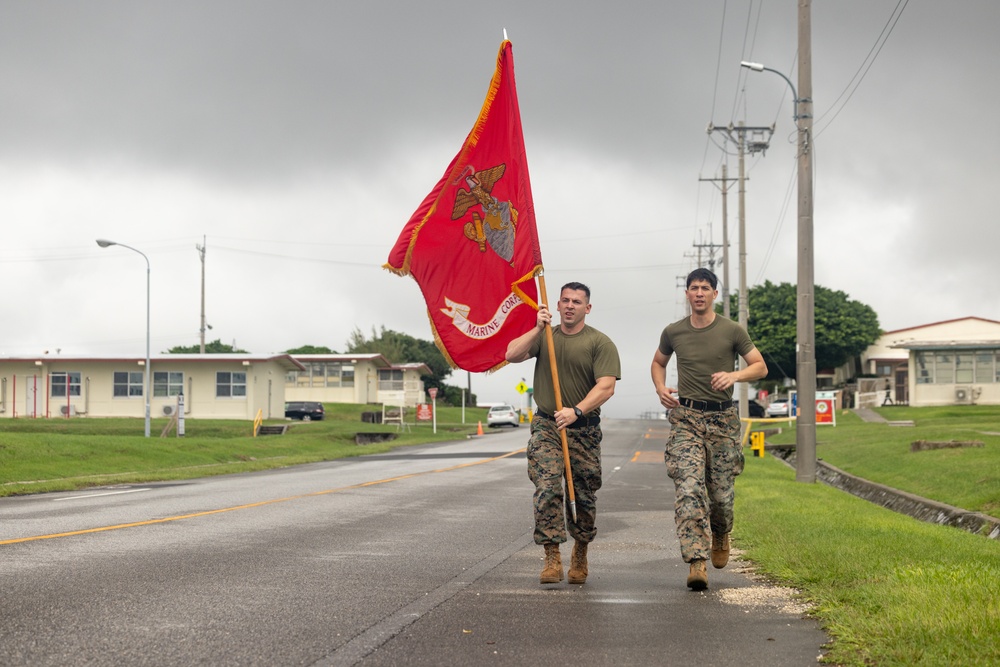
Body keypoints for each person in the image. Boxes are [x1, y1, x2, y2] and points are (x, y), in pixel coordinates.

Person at [650, 268, 767, 590]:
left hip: (722, 422)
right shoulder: (673, 331)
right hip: (686, 419)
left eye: (705, 288)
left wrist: (734, 376)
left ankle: (721, 533)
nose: (699, 293)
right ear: (686, 294)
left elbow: (759, 365)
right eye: (693, 288)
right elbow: (658, 362)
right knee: (689, 490)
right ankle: (696, 562)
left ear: (715, 294)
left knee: (720, 498)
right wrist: (660, 387)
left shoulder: (731, 330)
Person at [506, 282, 621, 585]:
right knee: (547, 486)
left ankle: (580, 550)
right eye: (565, 301)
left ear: (588, 307)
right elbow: (511, 354)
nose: (570, 306)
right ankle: (552, 556)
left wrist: (577, 411)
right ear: (556, 305)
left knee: (582, 496)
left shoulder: (600, 342)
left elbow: (606, 386)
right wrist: (537, 327)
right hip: (547, 426)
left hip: (582, 429)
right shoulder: (545, 337)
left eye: (577, 302)